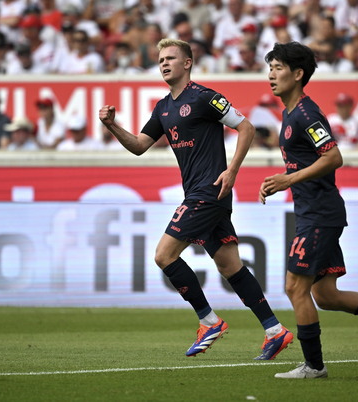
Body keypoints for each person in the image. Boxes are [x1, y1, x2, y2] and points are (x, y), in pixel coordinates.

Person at [99, 38, 293, 360]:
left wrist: (232, 171)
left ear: (187, 63)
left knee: (164, 255)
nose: (164, 63)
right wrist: (111, 125)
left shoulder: (204, 98)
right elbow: (138, 145)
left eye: (171, 58)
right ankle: (275, 331)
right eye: (160, 59)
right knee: (230, 265)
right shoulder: (162, 108)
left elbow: (246, 128)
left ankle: (208, 321)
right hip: (201, 194)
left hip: (209, 191)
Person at [259, 41, 358, 379]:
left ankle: (314, 367)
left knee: (295, 288)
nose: (271, 75)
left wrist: (289, 179)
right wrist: (287, 182)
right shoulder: (290, 114)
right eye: (270, 68)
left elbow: (334, 157)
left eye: (277, 68)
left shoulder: (306, 113)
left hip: (320, 213)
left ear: (298, 74)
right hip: (314, 211)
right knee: (326, 295)